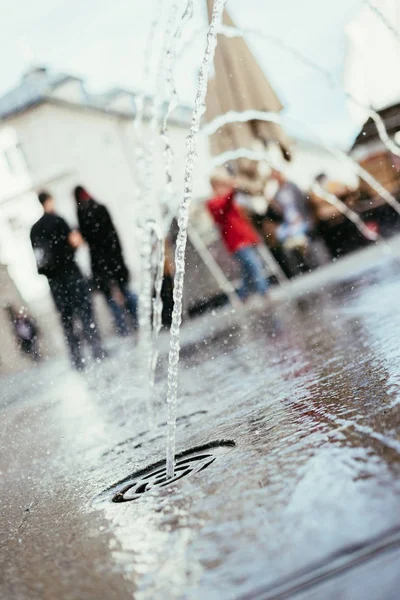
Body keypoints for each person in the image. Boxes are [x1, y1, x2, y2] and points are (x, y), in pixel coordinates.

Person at [30, 191, 105, 371]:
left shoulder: (35, 230)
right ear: (49, 201)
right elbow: (75, 241)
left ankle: (76, 359)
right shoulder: (58, 220)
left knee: (67, 319)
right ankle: (97, 351)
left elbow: (39, 257)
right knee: (86, 314)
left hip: (55, 282)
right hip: (71, 274)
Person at [73, 186, 138, 335]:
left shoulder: (82, 213)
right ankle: (138, 321)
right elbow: (113, 234)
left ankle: (123, 330)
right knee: (125, 291)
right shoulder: (100, 207)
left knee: (110, 297)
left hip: (99, 262)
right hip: (114, 257)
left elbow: (85, 238)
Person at [207, 170, 269, 301]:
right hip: (236, 243)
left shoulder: (229, 199)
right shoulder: (213, 203)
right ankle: (264, 293)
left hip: (245, 238)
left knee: (247, 270)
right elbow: (224, 207)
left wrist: (253, 237)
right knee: (254, 265)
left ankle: (243, 296)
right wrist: (232, 189)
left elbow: (241, 220)